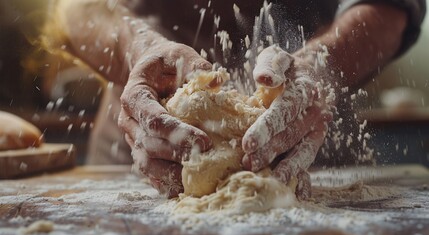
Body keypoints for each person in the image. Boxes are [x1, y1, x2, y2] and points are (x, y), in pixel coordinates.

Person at [44, 0, 425, 198]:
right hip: (142, 149)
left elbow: (391, 5)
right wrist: (136, 47)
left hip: (307, 150)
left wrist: (320, 64)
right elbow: (77, 8)